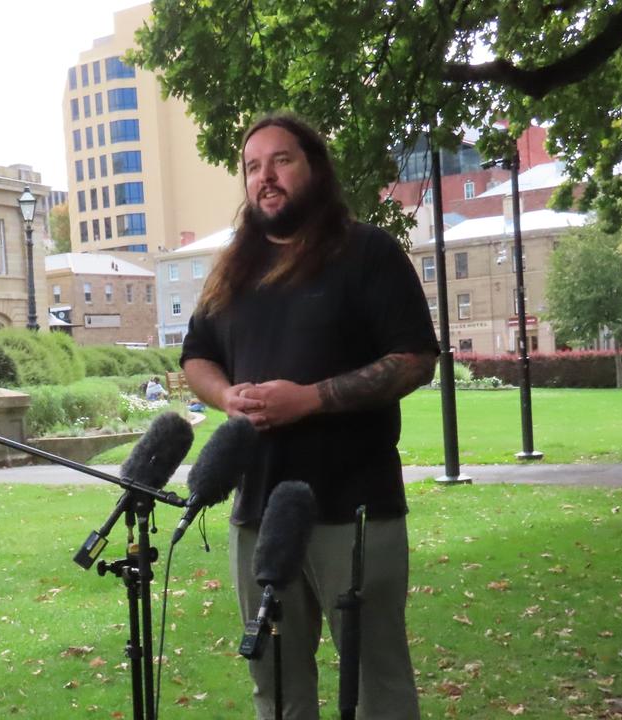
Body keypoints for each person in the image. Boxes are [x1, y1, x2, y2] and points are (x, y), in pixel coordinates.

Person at [181, 113, 438, 720]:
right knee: (276, 691)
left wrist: (310, 398)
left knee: (379, 686)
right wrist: (226, 397)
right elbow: (197, 355)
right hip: (258, 516)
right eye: (252, 166)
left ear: (314, 167)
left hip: (355, 513)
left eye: (281, 161)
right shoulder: (231, 269)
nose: (265, 177)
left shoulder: (368, 252)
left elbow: (414, 361)